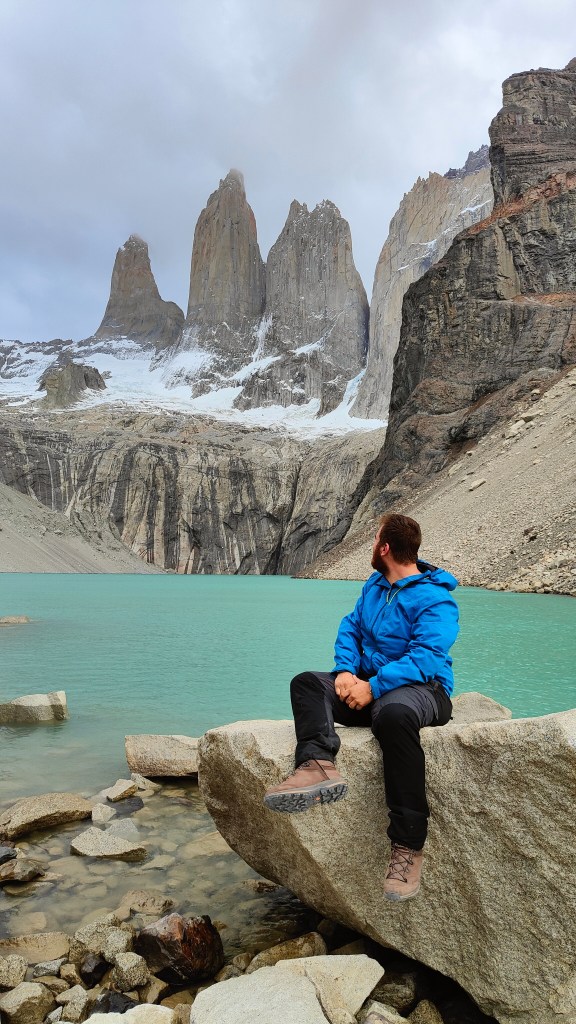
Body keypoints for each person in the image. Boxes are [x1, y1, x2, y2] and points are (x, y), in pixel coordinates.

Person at [263, 513, 459, 902]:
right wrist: (345, 672)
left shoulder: (437, 599)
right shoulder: (375, 585)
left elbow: (426, 657)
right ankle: (317, 765)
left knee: (393, 716)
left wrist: (374, 687)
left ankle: (408, 845)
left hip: (424, 689)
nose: (371, 546)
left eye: (374, 540)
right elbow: (351, 627)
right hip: (367, 683)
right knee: (307, 683)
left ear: (384, 548)